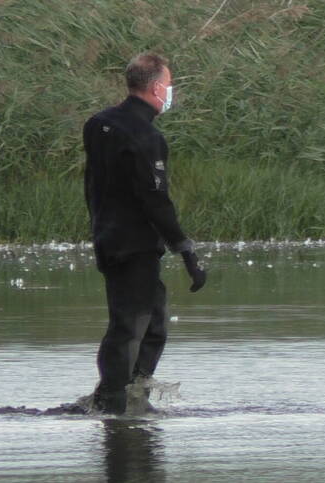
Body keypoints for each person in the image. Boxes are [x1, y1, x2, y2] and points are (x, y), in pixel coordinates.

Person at [83, 52, 206, 415]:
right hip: (133, 243)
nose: (171, 92)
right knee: (131, 326)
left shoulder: (98, 123)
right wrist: (186, 250)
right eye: (169, 85)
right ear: (155, 87)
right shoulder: (146, 136)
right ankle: (114, 404)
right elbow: (155, 198)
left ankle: (131, 396)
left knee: (152, 322)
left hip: (107, 235)